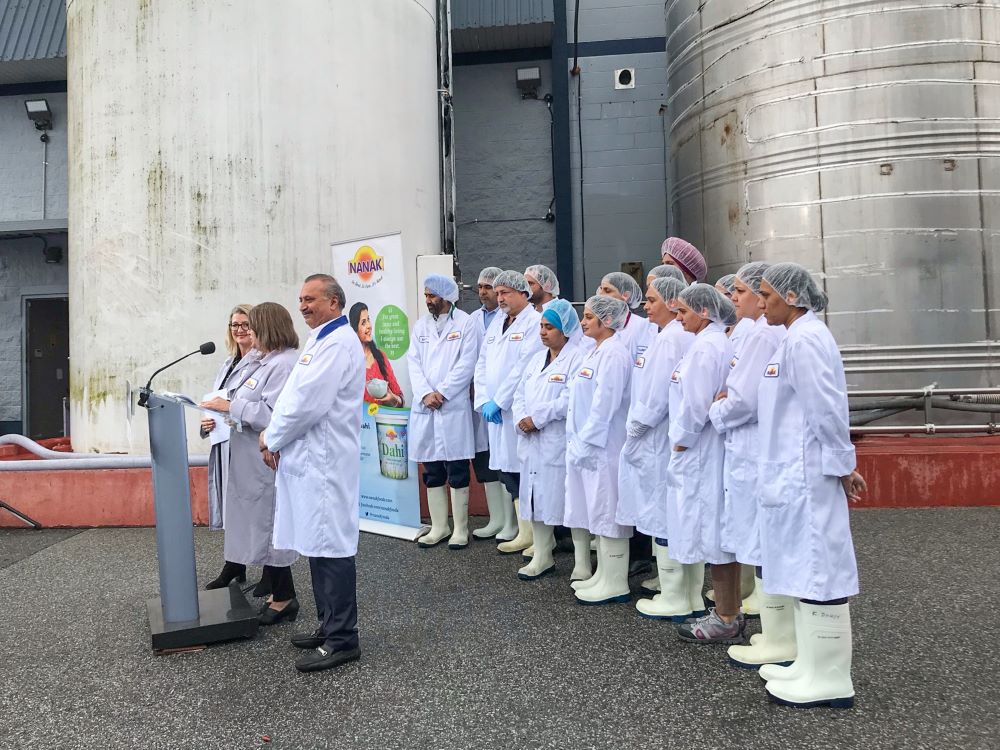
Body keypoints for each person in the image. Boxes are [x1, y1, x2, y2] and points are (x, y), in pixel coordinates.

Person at [753, 263, 866, 709]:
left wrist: (843, 464)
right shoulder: (794, 338)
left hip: (809, 475)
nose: (761, 302)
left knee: (820, 569)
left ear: (793, 297)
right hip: (793, 473)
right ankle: (810, 664)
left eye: (766, 295)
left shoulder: (806, 340)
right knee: (804, 568)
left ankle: (832, 677)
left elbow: (827, 408)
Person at [259, 274, 365, 674]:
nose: (302, 306)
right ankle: (328, 624)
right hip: (307, 458)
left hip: (324, 462)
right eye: (300, 299)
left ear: (335, 302)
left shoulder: (338, 343)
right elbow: (292, 395)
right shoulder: (320, 338)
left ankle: (343, 640)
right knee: (316, 546)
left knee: (332, 547)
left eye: (311, 299)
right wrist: (277, 438)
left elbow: (307, 404)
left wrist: (271, 436)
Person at [200, 302, 300, 624]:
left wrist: (231, 406)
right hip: (248, 455)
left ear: (268, 327)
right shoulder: (263, 361)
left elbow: (272, 414)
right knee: (258, 524)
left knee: (269, 524)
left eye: (253, 326)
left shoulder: (283, 364)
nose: (248, 333)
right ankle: (276, 592)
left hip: (264, 458)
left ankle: (285, 597)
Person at [663, 284, 742, 644]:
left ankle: (727, 616)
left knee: (714, 535)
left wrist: (681, 442)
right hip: (703, 451)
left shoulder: (708, 347)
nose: (678, 318)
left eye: (683, 312)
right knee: (714, 535)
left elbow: (695, 407)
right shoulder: (708, 343)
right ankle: (727, 611)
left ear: (705, 313)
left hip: (700, 452)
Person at [618, 277, 696, 620]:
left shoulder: (669, 340)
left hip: (657, 436)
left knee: (663, 516)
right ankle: (687, 595)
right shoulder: (670, 336)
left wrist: (635, 429)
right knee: (672, 514)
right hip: (664, 435)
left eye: (651, 300)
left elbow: (654, 394)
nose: (645, 305)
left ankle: (674, 595)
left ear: (670, 301)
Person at [565, 296, 633, 605]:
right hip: (589, 447)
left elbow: (605, 404)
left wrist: (586, 440)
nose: (583, 322)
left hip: (604, 446)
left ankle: (616, 582)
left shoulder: (615, 354)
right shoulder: (595, 351)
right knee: (597, 512)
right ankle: (604, 575)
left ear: (606, 321)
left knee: (609, 512)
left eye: (589, 317)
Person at [512, 299, 585, 580]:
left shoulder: (577, 358)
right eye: (541, 326)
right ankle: (542, 555)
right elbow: (520, 394)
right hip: (532, 442)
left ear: (565, 330)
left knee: (571, 502)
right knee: (535, 499)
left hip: (557, 440)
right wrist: (522, 418)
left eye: (549, 327)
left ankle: (581, 563)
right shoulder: (535, 360)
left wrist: (538, 418)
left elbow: (570, 398)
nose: (542, 332)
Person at [407, 274, 480, 550]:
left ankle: (460, 529)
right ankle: (439, 527)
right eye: (425, 295)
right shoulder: (421, 326)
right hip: (427, 406)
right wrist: (426, 393)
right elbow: (413, 362)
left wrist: (443, 392)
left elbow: (467, 363)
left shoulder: (465, 324)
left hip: (451, 405)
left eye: (432, 296)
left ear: (447, 297)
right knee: (432, 469)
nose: (428, 301)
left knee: (457, 468)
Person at [473, 270, 544, 553]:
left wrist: (500, 400)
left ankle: (534, 535)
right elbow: (482, 363)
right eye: (498, 293)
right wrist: (483, 401)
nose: (499, 298)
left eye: (505, 293)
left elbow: (524, 367)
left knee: (524, 473)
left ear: (523, 293)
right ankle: (523, 531)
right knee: (507, 473)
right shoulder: (498, 323)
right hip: (495, 412)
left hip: (516, 410)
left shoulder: (534, 323)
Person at [202, 303, 260, 590]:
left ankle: (274, 574)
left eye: (245, 324)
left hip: (248, 444)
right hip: (224, 442)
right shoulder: (228, 363)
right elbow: (216, 400)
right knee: (232, 507)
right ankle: (235, 565)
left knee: (254, 509)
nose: (239, 330)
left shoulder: (262, 362)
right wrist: (207, 422)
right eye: (234, 325)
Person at [468, 267, 508, 540]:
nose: (482, 292)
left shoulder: (508, 319)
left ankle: (511, 522)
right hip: (479, 400)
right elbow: (475, 362)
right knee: (485, 458)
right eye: (479, 287)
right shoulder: (472, 320)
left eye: (488, 287)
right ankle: (496, 519)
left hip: (503, 402)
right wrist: (481, 397)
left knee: (506, 459)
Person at [349, 302, 404, 407]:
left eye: (368, 319)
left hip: (382, 421)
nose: (369, 326)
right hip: (360, 422)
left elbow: (400, 400)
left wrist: (393, 399)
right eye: (363, 323)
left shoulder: (380, 357)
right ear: (355, 329)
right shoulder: (349, 361)